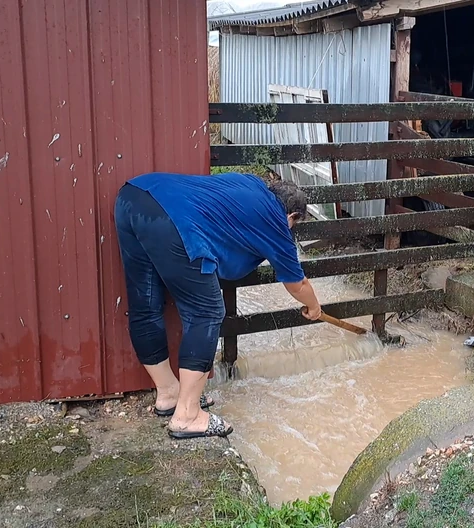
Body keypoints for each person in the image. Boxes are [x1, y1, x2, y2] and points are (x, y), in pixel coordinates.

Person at [114, 172, 321, 439]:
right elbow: (297, 284)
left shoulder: (252, 184)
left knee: (146, 303)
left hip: (134, 195)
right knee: (207, 312)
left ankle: (168, 394)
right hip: (174, 220)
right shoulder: (276, 221)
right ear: (292, 216)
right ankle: (187, 416)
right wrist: (314, 307)